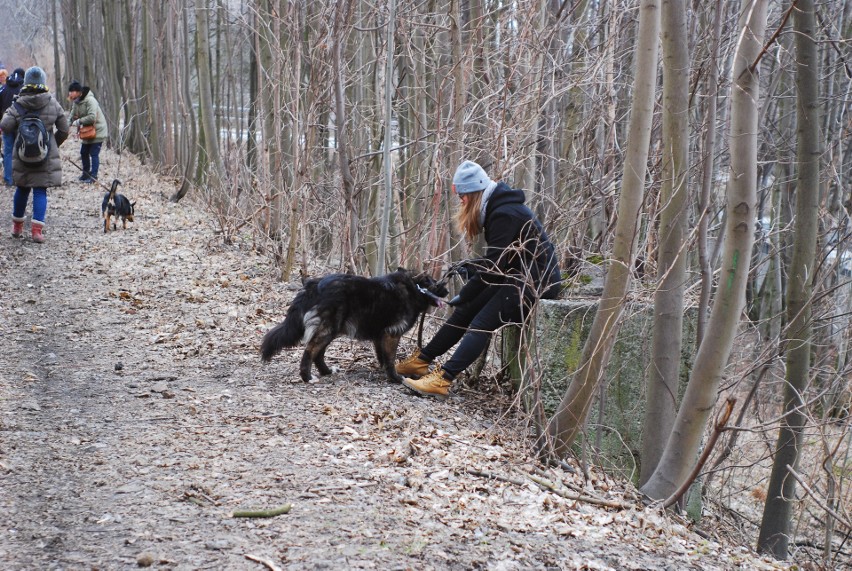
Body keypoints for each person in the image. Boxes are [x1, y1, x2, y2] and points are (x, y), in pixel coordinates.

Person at [397, 160, 562, 399]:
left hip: (537, 283)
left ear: (474, 194)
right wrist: (471, 270)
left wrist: (465, 292)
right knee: (464, 311)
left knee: (481, 323)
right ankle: (421, 362)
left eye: (463, 198)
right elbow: (501, 259)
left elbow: (494, 268)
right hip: (516, 276)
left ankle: (443, 380)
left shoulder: (504, 213)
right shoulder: (497, 209)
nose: (461, 203)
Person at [0, 66, 69, 243]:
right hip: (44, 156)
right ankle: (37, 232)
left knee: (22, 189)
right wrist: (53, 143)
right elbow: (64, 129)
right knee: (40, 190)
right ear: (43, 83)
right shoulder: (52, 102)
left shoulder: (18, 103)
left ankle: (17, 228)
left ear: (26, 82)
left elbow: (5, 126)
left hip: (22, 155)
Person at [67, 80, 107, 183]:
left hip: (98, 130)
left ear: (78, 92)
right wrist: (66, 125)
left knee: (94, 153)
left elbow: (92, 117)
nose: (70, 94)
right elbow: (72, 115)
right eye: (70, 92)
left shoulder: (90, 100)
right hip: (87, 131)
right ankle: (86, 174)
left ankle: (93, 177)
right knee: (83, 152)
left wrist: (79, 121)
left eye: (72, 91)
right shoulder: (76, 102)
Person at [0, 67, 25, 186]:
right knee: (21, 150)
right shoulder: (23, 88)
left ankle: (8, 179)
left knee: (8, 151)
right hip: (20, 123)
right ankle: (20, 177)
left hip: (6, 122)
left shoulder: (4, 88)